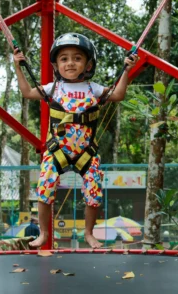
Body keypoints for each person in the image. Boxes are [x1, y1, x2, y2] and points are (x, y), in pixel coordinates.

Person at [13, 33, 138, 249]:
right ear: (56, 65)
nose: (70, 62)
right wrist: (18, 67)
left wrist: (126, 70)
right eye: (64, 58)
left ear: (88, 64)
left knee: (94, 192)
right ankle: (43, 233)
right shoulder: (54, 88)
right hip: (57, 150)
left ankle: (89, 234)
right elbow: (26, 92)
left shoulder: (94, 89)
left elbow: (118, 95)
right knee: (45, 188)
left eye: (77, 58)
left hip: (85, 153)